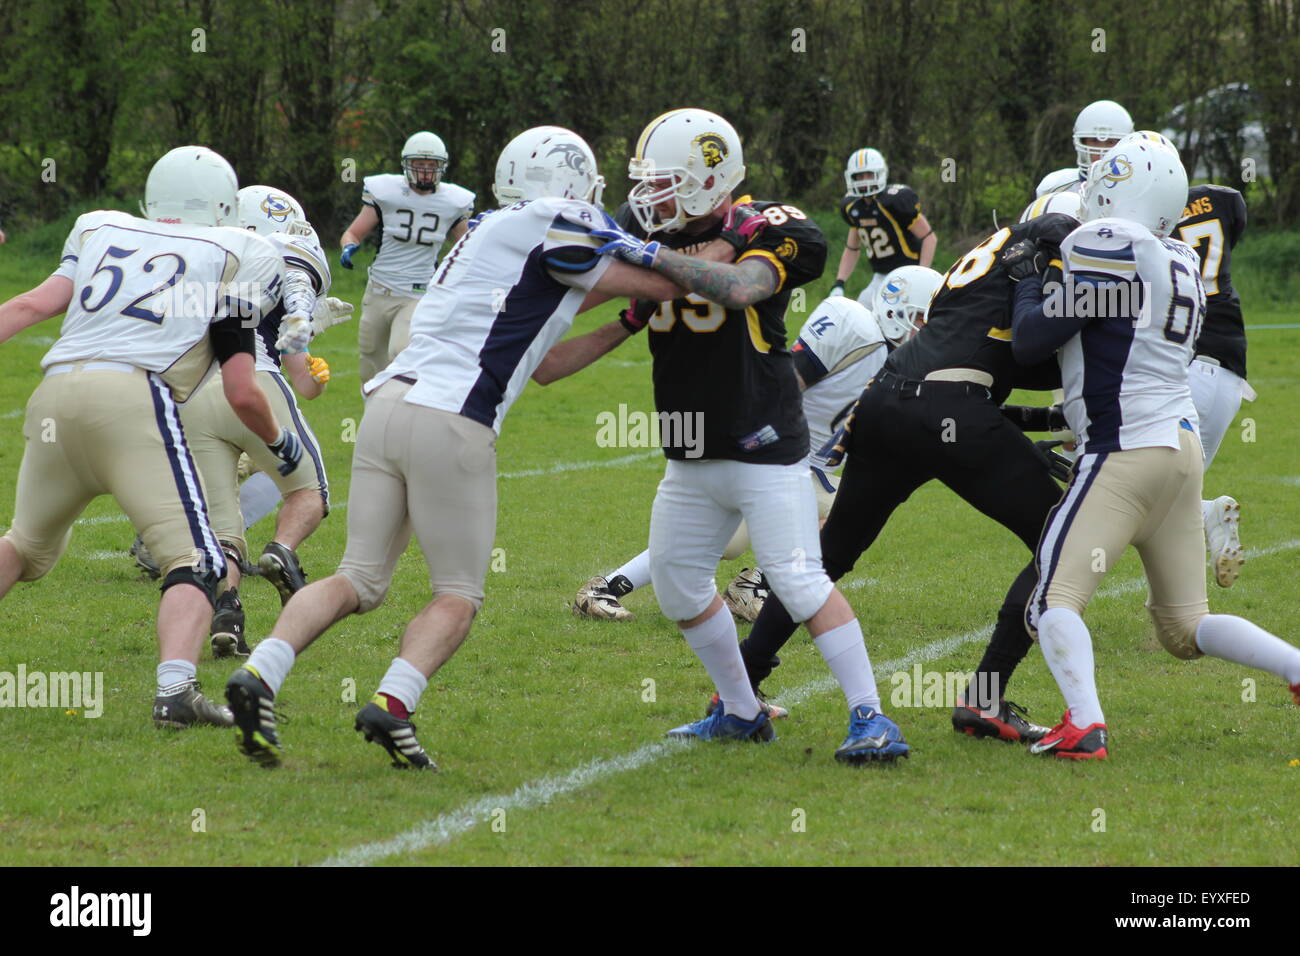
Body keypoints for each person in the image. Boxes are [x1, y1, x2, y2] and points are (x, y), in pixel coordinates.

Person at [224, 126, 691, 770]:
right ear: (570, 182)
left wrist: (624, 318)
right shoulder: (562, 218)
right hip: (454, 416)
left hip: (388, 406)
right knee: (458, 592)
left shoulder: (488, 236)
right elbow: (664, 282)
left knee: (357, 578)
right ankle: (393, 704)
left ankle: (262, 674)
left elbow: (547, 354)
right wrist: (725, 258)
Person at [589, 108, 909, 763]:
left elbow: (743, 288)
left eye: (666, 182)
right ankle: (740, 709)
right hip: (690, 449)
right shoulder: (651, 228)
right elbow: (587, 273)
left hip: (764, 442)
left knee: (797, 579)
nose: (650, 197)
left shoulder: (774, 226)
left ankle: (873, 718)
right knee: (678, 583)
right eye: (647, 182)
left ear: (709, 181)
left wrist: (656, 257)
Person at [729, 190, 1091, 747]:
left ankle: (737, 690)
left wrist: (1024, 428)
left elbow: (977, 349)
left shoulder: (989, 252)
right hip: (952, 410)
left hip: (889, 400)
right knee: (1061, 544)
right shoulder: (1054, 243)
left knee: (828, 557)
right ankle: (984, 698)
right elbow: (1027, 346)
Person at [1010, 132, 1300, 758]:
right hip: (1181, 452)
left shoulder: (1103, 243)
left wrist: (1030, 277)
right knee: (1184, 629)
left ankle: (1084, 723)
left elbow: (1033, 339)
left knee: (1050, 601)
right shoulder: (1180, 261)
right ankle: (1297, 667)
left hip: (1124, 451)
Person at [0, 145, 302, 728]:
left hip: (56, 396)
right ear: (224, 205)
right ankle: (175, 693)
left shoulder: (101, 229)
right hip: (136, 402)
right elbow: (242, 387)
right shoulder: (241, 250)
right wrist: (279, 443)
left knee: (23, 544)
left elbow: (30, 304)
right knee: (198, 558)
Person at [575, 266, 942, 629]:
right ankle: (612, 588)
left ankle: (738, 587)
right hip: (769, 447)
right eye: (922, 318)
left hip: (800, 460)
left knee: (727, 538)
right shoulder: (855, 325)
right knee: (824, 516)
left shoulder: (898, 362)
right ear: (897, 310)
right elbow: (788, 380)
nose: (927, 329)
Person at [177, 184, 334, 658]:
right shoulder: (280, 262)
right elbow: (300, 375)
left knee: (222, 529)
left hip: (190, 398)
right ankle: (282, 550)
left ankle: (227, 613)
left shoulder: (198, 257)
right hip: (253, 381)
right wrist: (317, 376)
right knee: (310, 493)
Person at [340, 131, 476, 381]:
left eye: (431, 165)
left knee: (401, 351)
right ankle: (375, 412)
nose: (425, 170)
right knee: (370, 358)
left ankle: (401, 407)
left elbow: (468, 245)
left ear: (441, 167)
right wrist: (348, 247)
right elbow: (354, 232)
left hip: (418, 291)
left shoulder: (453, 200)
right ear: (406, 164)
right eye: (419, 164)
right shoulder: (387, 192)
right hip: (379, 288)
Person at [1175, 183, 1251, 586]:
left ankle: (1207, 511)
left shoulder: (1145, 225)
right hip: (1228, 377)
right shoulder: (1221, 199)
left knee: (1138, 496)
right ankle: (1175, 619)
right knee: (1166, 500)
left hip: (1185, 374)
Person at [829, 148, 937, 305]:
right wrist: (839, 282)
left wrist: (921, 275)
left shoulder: (894, 200)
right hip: (880, 276)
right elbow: (852, 248)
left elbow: (929, 238)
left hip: (907, 273)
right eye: (860, 176)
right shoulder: (852, 206)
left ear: (880, 174)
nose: (864, 180)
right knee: (861, 313)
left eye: (869, 174)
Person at [1030, 100, 1134, 201]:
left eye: (1111, 142)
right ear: (1081, 142)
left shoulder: (1138, 188)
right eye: (1094, 140)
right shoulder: (1055, 187)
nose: (1102, 151)